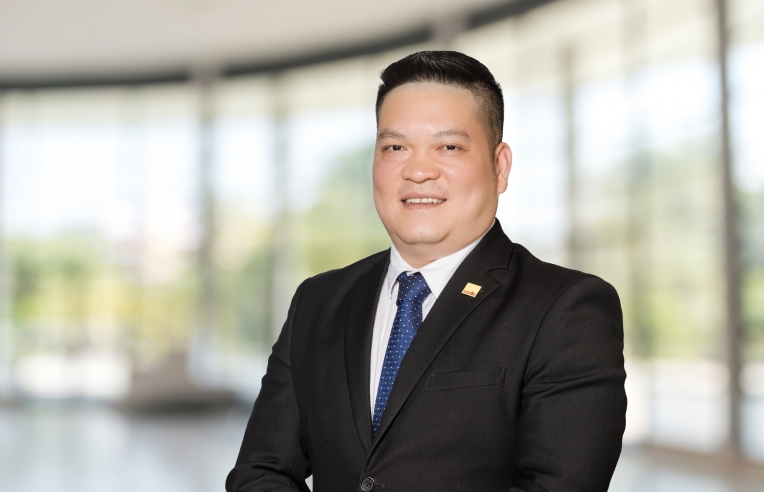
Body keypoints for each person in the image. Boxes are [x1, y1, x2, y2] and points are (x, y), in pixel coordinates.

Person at [226, 51, 627, 492]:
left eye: (448, 147)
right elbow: (260, 472)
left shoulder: (567, 308)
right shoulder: (318, 301)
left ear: (499, 167)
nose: (417, 171)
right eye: (395, 147)